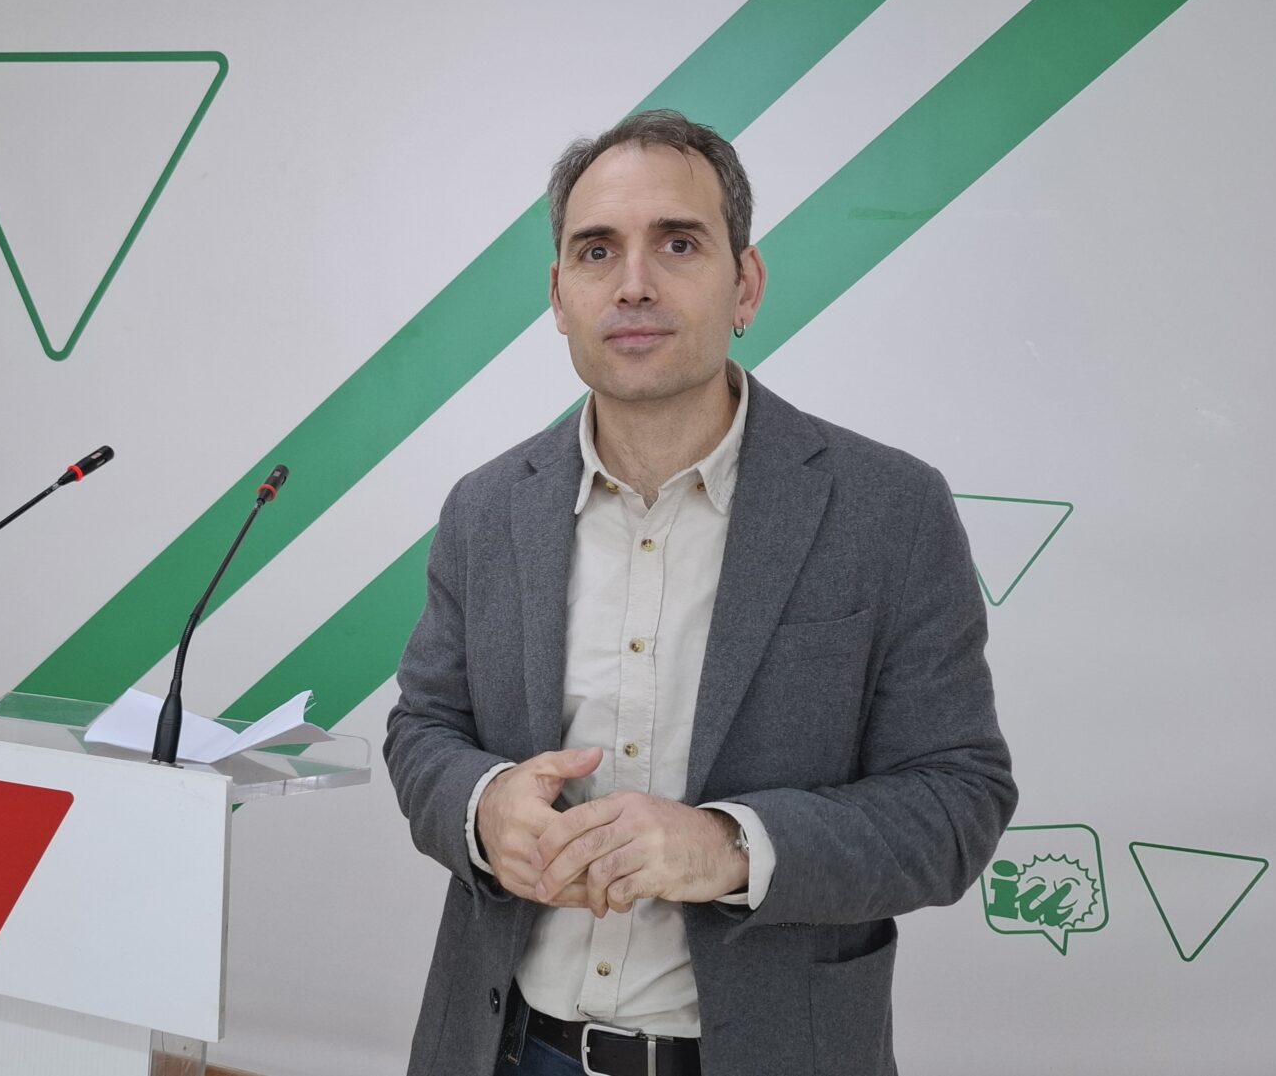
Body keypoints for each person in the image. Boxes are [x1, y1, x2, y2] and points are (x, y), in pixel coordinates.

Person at [383, 109, 1017, 1076]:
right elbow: (423, 727)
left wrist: (730, 847)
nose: (633, 282)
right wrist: (484, 808)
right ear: (559, 297)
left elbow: (958, 800)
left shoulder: (888, 509)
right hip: (505, 1049)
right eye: (597, 250)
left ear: (745, 284)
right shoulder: (485, 509)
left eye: (677, 243)